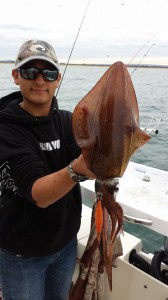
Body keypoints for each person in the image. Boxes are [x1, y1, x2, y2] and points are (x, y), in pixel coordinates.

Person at [0, 39, 95, 300]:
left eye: (48, 72)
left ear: (58, 79)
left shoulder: (68, 121)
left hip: (64, 245)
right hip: (22, 254)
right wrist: (79, 169)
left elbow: (91, 160)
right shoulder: (5, 129)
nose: (40, 80)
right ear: (16, 76)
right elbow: (39, 193)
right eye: (31, 71)